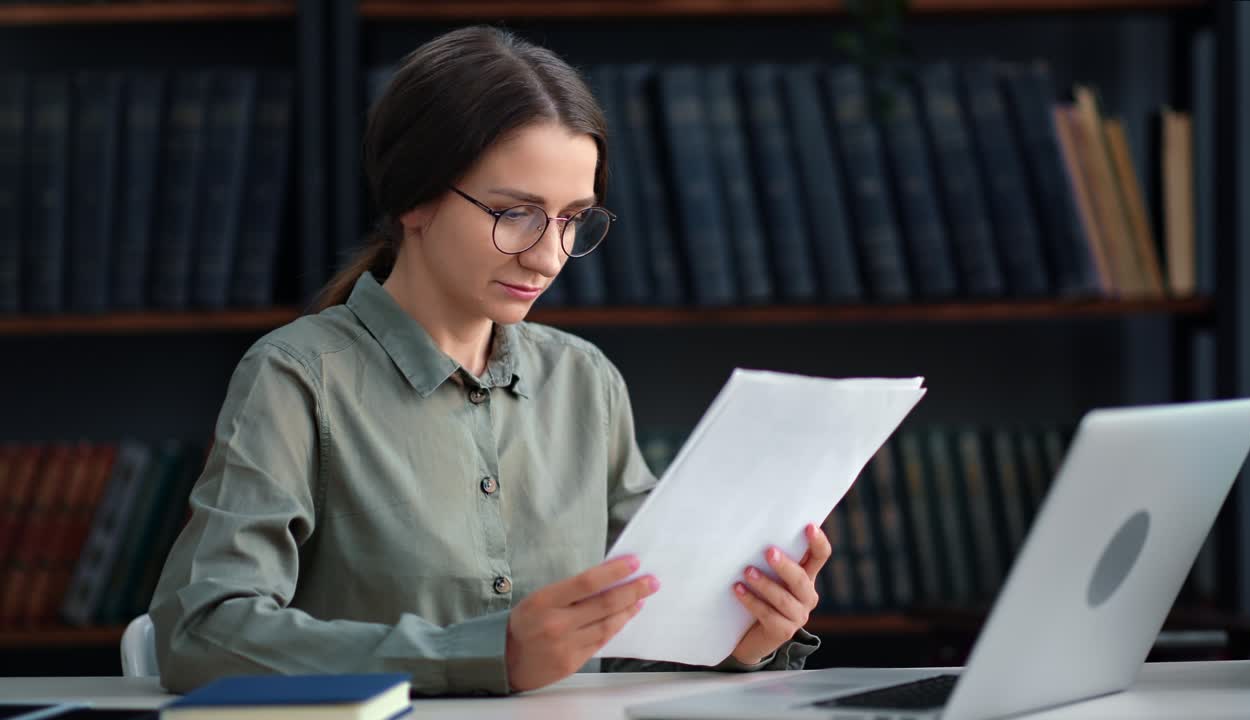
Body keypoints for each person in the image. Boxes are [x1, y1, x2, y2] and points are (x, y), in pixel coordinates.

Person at [150, 26, 826, 696]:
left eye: (572, 220)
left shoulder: (584, 382)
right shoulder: (299, 377)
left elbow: (627, 636)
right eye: (516, 214)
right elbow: (200, 632)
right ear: (415, 198)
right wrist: (476, 654)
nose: (548, 256)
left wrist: (737, 637)